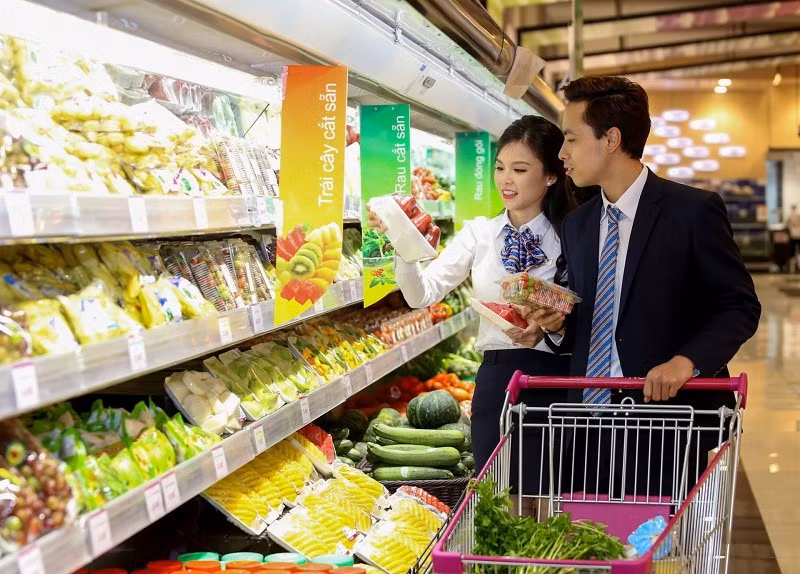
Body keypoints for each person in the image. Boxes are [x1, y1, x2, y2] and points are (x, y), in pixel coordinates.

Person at [532, 76, 761, 498]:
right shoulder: (579, 224)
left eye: (571, 139)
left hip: (666, 423)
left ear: (611, 139)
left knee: (660, 552)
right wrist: (553, 322)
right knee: (593, 548)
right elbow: (584, 313)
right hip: (586, 423)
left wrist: (687, 361)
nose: (562, 154)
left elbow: (738, 306)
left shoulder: (691, 212)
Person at [368, 115, 576, 495]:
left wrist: (549, 329)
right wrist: (405, 244)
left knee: (548, 495)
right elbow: (422, 295)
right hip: (497, 378)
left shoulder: (572, 235)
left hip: (554, 378)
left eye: (519, 169)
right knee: (493, 494)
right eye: (499, 168)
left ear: (550, 176)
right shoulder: (479, 233)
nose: (505, 180)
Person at [787, 205, 800, 269]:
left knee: (792, 251)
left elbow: (787, 225)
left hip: (792, 235)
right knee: (798, 251)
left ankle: (792, 267)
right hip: (798, 235)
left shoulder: (790, 216)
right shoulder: (798, 216)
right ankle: (798, 265)